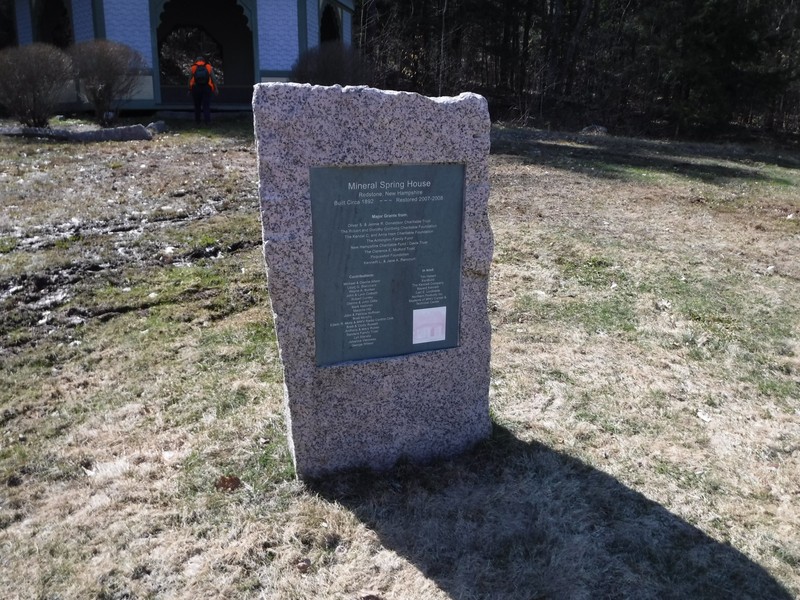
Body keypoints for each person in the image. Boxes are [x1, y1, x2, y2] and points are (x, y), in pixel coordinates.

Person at [189, 56, 217, 124]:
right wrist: (216, 88)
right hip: (207, 88)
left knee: (197, 105)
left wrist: (189, 89)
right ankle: (207, 121)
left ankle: (197, 121)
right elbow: (213, 79)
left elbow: (189, 80)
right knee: (206, 105)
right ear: (203, 60)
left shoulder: (193, 67)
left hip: (196, 88)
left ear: (196, 61)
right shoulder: (208, 67)